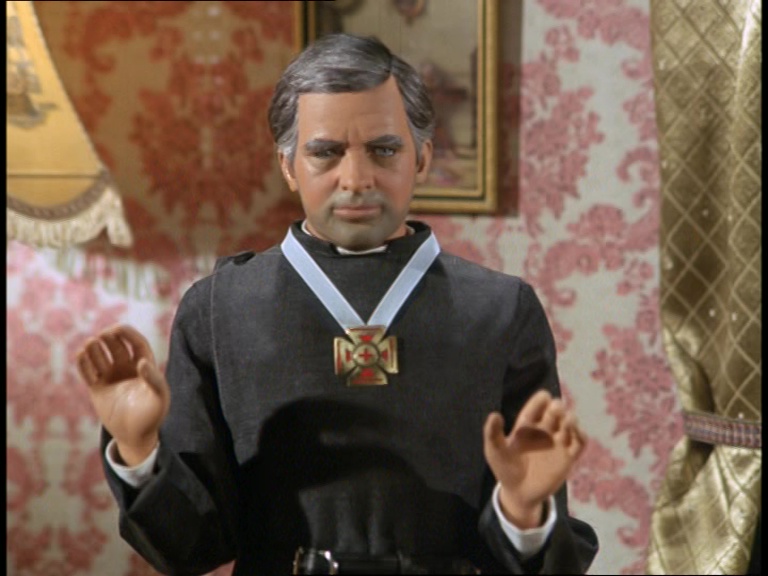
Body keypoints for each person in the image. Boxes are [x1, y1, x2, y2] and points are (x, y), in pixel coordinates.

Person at [76, 33, 598, 575]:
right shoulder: (219, 309)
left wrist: (523, 511)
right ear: (288, 165)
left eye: (384, 150)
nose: (356, 179)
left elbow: (540, 559)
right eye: (326, 153)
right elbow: (190, 550)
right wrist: (138, 451)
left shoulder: (501, 310)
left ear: (422, 158)